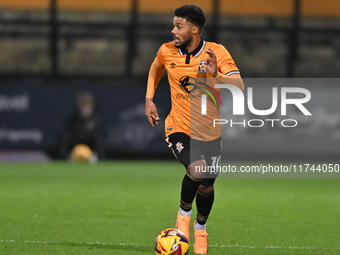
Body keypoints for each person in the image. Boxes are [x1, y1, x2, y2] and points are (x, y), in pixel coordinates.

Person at [145, 5, 244, 254]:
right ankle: (183, 218)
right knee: (197, 169)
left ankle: (201, 228)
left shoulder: (216, 52)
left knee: (206, 186)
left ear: (195, 30)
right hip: (178, 127)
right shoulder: (167, 51)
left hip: (209, 131)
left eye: (179, 26)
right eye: (174, 25)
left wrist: (215, 76)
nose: (173, 30)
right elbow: (156, 67)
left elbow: (239, 85)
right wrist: (149, 98)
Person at [60, 92, 106, 161]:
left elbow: (101, 144)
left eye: (87, 106)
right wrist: (68, 155)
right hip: (73, 156)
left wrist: (96, 156)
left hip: (92, 157)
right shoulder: (71, 122)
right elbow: (64, 142)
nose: (85, 109)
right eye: (83, 106)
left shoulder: (97, 122)